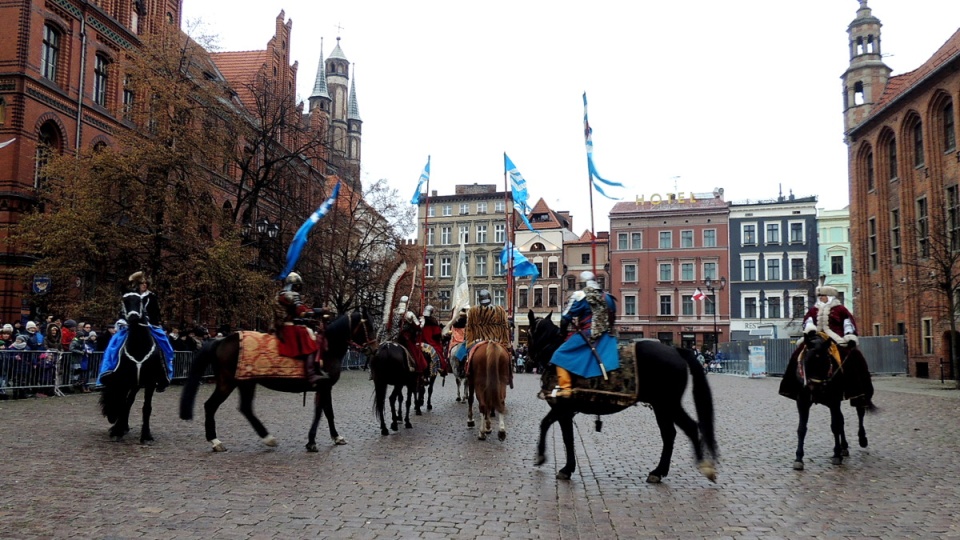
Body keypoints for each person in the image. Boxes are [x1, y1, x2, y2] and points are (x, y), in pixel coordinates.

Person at [779, 284, 874, 406]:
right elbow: (808, 321)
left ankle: (857, 390)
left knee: (854, 357)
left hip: (835, 338)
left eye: (823, 296)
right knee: (797, 354)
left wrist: (849, 336)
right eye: (820, 296)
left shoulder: (841, 310)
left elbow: (848, 323)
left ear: (829, 296)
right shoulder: (813, 310)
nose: (821, 298)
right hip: (815, 338)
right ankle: (792, 388)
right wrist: (810, 329)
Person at [548, 271, 621, 396]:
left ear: (582, 283)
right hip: (608, 337)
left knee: (559, 355)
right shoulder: (608, 297)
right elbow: (613, 317)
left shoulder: (581, 295)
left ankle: (565, 388)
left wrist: (562, 333)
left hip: (588, 334)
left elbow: (565, 317)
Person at [100, 272, 174, 391]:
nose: (144, 285)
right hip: (130, 325)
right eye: (141, 283)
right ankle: (108, 371)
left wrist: (151, 322)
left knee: (164, 344)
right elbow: (123, 311)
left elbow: (156, 313)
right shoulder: (130, 296)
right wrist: (122, 321)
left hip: (149, 325)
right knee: (114, 344)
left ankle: (164, 375)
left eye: (145, 283)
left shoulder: (151, 297)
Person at [275, 271, 327, 384]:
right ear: (296, 285)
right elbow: (302, 312)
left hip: (283, 325)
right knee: (310, 342)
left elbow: (292, 313)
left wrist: (306, 319)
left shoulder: (281, 293)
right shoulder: (292, 295)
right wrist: (320, 311)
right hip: (289, 328)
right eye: (299, 286)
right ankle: (311, 374)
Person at [463, 290, 512, 378]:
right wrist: (506, 344)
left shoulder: (472, 311)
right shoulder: (500, 310)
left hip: (477, 340)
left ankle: (466, 371)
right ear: (490, 298)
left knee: (462, 355)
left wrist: (468, 344)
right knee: (508, 357)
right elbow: (505, 328)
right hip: (498, 340)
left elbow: (469, 329)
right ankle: (509, 375)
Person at [388, 296, 426, 373]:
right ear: (408, 303)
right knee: (416, 354)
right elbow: (418, 327)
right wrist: (423, 321)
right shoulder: (409, 314)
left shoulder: (392, 312)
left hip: (391, 337)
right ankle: (417, 370)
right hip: (403, 338)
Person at [420, 305, 449, 375]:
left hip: (420, 341)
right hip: (430, 342)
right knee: (439, 352)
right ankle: (441, 368)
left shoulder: (420, 319)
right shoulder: (433, 321)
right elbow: (436, 335)